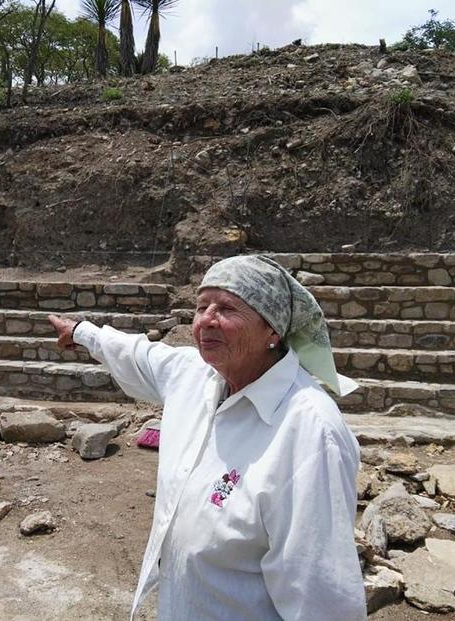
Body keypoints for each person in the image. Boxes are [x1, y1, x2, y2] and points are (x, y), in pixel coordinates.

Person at [48, 255, 366, 621]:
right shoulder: (196, 375)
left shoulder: (309, 430)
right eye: (201, 306)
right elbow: (138, 355)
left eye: (227, 308)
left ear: (273, 330)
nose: (206, 320)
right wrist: (82, 333)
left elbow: (322, 597)